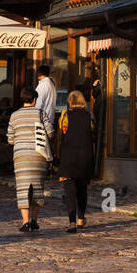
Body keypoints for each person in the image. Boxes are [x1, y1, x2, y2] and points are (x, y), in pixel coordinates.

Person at [7, 87, 51, 233]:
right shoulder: (40, 113)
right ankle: (34, 220)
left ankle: (25, 221)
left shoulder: (14, 115)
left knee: (22, 188)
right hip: (38, 155)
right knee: (38, 187)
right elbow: (50, 132)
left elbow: (10, 138)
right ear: (34, 100)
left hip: (21, 156)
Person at [57, 90, 94, 233]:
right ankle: (80, 219)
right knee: (82, 190)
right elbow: (93, 130)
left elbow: (62, 130)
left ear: (70, 102)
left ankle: (71, 221)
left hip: (68, 157)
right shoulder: (89, 116)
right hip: (85, 157)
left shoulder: (65, 116)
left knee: (70, 191)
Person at [35, 64, 57, 138]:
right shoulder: (51, 84)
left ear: (39, 73)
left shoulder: (43, 85)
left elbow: (38, 104)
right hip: (50, 120)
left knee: (40, 147)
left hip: (42, 122)